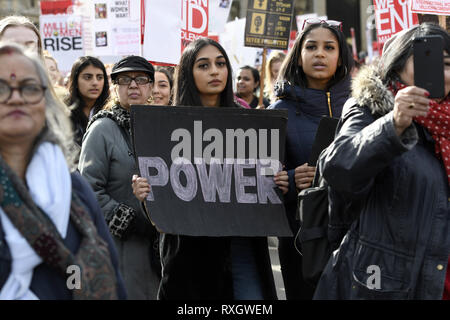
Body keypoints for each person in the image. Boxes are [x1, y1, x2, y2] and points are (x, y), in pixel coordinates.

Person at [132, 38, 289, 300]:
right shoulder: (165, 124)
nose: (215, 71)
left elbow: (261, 181)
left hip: (242, 248)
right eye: (203, 65)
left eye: (220, 64)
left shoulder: (249, 121)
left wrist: (279, 181)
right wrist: (144, 192)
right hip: (189, 252)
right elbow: (160, 206)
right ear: (188, 74)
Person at [314, 23, 450, 300]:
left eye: (447, 64)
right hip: (385, 284)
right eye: (429, 62)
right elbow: (338, 168)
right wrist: (394, 125)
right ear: (397, 65)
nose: (440, 73)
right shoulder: (369, 108)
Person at [0, 42, 126, 300]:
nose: (16, 97)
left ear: (45, 104)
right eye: (1, 88)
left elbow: (111, 274)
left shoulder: (73, 188)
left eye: (29, 87)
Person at [268, 19, 354, 300]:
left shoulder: (362, 107)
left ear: (340, 55)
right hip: (301, 240)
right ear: (298, 55)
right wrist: (291, 180)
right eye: (311, 46)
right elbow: (256, 183)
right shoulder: (278, 111)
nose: (320, 54)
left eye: (329, 47)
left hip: (354, 235)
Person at [78, 55, 160, 300]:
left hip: (160, 247)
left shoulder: (160, 126)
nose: (133, 85)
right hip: (121, 247)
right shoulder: (102, 129)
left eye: (141, 79)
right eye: (124, 79)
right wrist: (129, 220)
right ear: (114, 86)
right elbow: (88, 189)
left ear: (151, 86)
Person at [64, 56, 110, 148]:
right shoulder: (62, 112)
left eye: (100, 77)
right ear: (75, 81)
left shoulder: (111, 112)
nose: (95, 83)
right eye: (88, 77)